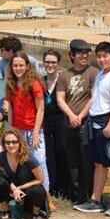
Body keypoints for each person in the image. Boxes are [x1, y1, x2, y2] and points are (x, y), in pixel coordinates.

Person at [73, 41, 110, 217]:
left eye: (105, 56)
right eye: (99, 56)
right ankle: (95, 200)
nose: (102, 59)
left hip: (108, 123)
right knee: (99, 163)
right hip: (95, 122)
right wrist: (82, 115)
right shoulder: (100, 75)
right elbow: (94, 99)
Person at [56, 39, 97, 204]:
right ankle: (77, 196)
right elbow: (60, 99)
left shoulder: (94, 72)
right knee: (72, 161)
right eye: (80, 52)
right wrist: (71, 116)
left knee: (87, 161)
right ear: (72, 55)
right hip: (68, 124)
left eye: (87, 52)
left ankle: (90, 196)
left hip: (86, 124)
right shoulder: (64, 75)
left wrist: (80, 116)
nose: (84, 55)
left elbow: (94, 97)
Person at [3, 53, 49, 191]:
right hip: (18, 130)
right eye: (15, 65)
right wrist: (10, 129)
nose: (18, 68)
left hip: (34, 129)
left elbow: (40, 109)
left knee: (39, 160)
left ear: (28, 66)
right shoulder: (11, 84)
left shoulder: (34, 84)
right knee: (20, 161)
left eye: (21, 65)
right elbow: (11, 108)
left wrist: (36, 132)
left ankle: (45, 193)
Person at [0, 129, 49, 219]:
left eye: (14, 142)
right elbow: (4, 177)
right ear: (4, 144)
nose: (11, 145)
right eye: (7, 142)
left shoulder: (28, 158)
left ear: (20, 142)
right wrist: (14, 189)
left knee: (37, 190)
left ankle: (36, 213)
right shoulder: (1, 157)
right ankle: (7, 210)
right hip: (12, 190)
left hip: (28, 192)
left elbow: (40, 179)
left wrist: (20, 188)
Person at [41, 49, 68, 199]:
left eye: (53, 62)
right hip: (45, 121)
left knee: (62, 152)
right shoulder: (41, 81)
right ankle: (52, 186)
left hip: (61, 120)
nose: (50, 65)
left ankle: (64, 188)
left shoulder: (63, 80)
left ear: (58, 64)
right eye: (47, 62)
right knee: (48, 154)